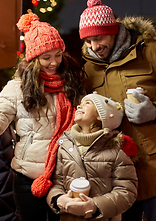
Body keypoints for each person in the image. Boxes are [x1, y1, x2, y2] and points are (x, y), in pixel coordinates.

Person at [78, 0, 156, 221]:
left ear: (114, 30)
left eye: (100, 38)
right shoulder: (88, 69)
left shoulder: (153, 51)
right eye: (88, 42)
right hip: (118, 176)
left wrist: (155, 110)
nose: (95, 47)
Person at [0, 13, 85, 221]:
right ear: (34, 58)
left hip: (67, 177)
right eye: (46, 57)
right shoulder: (17, 88)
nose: (54, 62)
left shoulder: (73, 82)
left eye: (58, 54)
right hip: (27, 179)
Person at [46, 93, 138, 221]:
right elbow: (56, 183)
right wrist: (59, 199)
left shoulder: (116, 151)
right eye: (80, 104)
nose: (79, 106)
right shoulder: (64, 145)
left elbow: (126, 191)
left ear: (100, 116)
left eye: (87, 103)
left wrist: (95, 206)